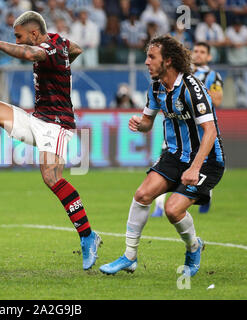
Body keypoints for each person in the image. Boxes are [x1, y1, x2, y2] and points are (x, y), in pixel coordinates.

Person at [0, 11, 102, 270]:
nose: (19, 41)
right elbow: (75, 49)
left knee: (51, 178)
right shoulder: (62, 45)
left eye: (20, 36)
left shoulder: (49, 49)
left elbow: (30, 54)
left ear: (34, 33)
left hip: (57, 124)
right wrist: (66, 64)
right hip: (37, 119)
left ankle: (88, 236)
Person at [99, 35, 225, 277]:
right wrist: (140, 123)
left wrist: (195, 168)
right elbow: (148, 122)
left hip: (207, 161)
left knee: (172, 210)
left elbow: (210, 132)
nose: (146, 62)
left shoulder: (192, 88)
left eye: (151, 57)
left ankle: (194, 247)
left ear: (167, 61)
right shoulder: (156, 87)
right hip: (175, 155)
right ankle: (129, 257)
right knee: (142, 194)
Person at [152, 41, 223, 216]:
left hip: (198, 132)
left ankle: (204, 193)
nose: (198, 54)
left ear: (209, 56)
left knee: (202, 162)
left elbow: (218, 100)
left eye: (202, 51)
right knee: (162, 162)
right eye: (196, 51)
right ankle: (159, 206)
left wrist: (196, 93)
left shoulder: (213, 76)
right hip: (176, 132)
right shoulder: (180, 73)